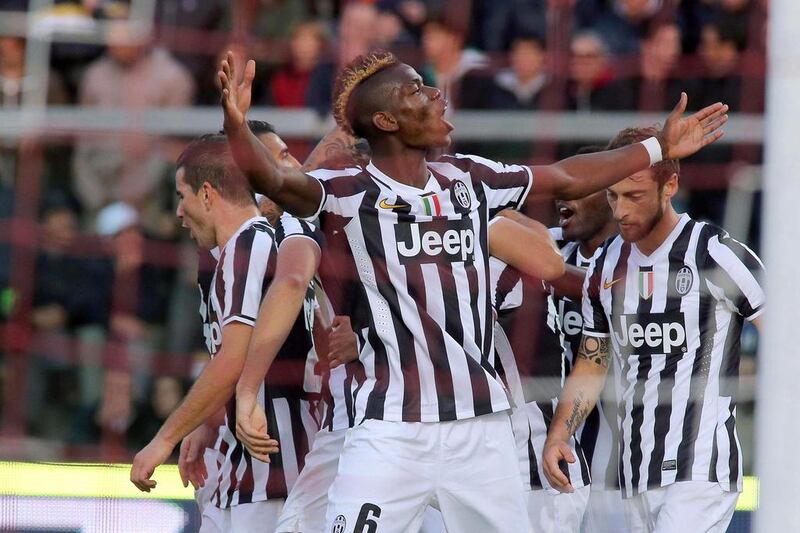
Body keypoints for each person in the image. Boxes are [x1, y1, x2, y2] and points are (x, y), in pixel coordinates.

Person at [218, 48, 727, 532]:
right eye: (417, 91)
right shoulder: (350, 194)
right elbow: (277, 182)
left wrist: (658, 146)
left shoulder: (468, 181)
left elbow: (566, 177)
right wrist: (238, 128)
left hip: (482, 433)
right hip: (390, 430)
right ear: (387, 122)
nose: (437, 94)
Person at [542, 127, 765, 533]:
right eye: (613, 196)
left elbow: (784, 329)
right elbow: (593, 361)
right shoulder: (605, 266)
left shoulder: (713, 251)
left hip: (699, 468)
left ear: (670, 186)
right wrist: (561, 434)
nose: (622, 210)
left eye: (635, 196)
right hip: (634, 472)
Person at [129, 136, 321, 533]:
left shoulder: (250, 247)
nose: (179, 212)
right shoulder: (228, 254)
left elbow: (233, 359)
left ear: (207, 192)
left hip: (277, 467)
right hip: (246, 467)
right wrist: (204, 423)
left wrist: (164, 439)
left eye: (182, 196)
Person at [550, 146, 627, 533]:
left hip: (620, 448)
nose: (564, 197)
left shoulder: (642, 259)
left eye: (580, 188)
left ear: (613, 198)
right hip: (543, 438)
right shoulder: (542, 246)